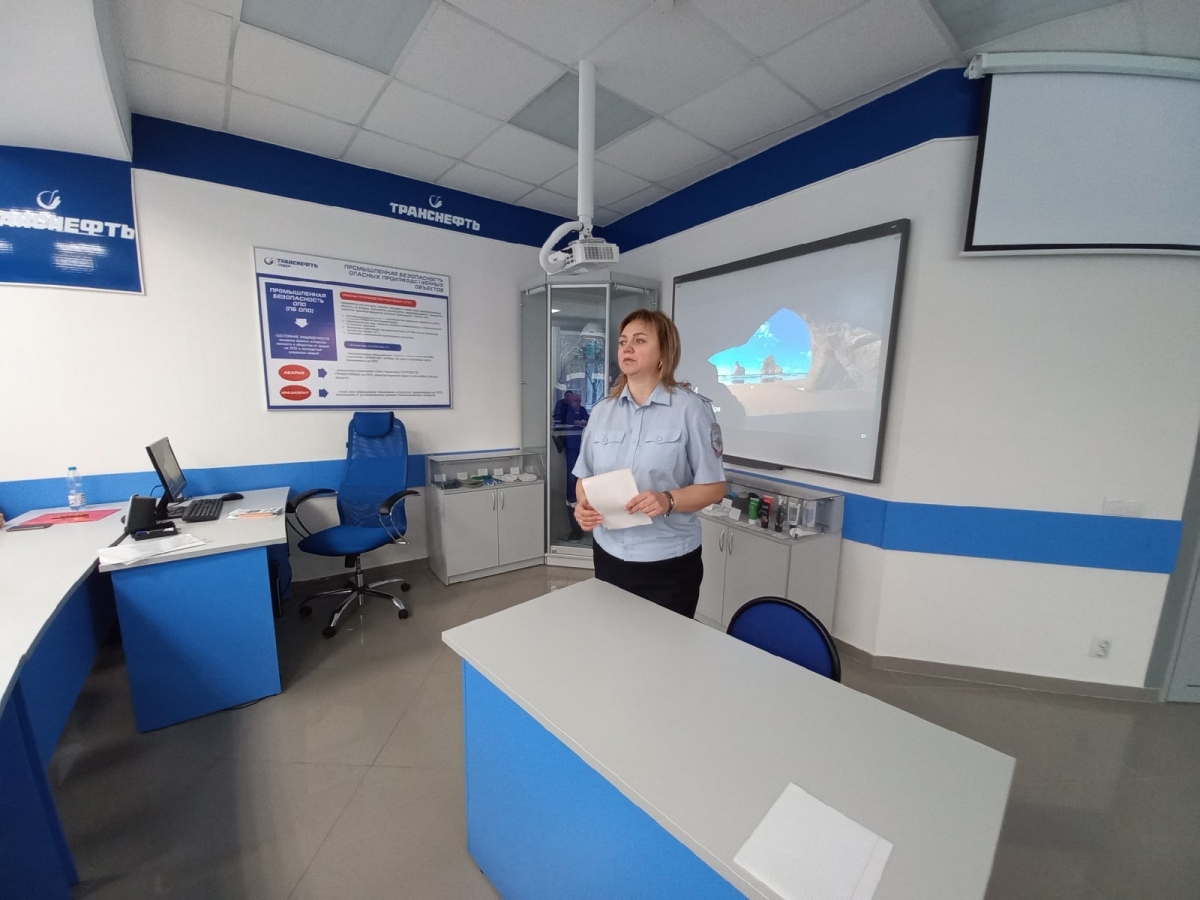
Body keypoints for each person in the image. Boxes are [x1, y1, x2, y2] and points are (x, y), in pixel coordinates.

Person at [572, 309, 727, 617]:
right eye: (623, 341)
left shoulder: (691, 410)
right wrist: (583, 507)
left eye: (639, 341)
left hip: (667, 563)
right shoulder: (601, 412)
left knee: (663, 646)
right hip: (608, 554)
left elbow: (714, 488)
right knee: (612, 637)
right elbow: (584, 480)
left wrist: (668, 499)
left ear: (663, 353)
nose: (627, 348)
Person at [552, 390, 589, 540]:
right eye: (575, 400)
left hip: (584, 448)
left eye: (579, 400)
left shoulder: (582, 410)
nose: (577, 403)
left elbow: (588, 422)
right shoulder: (565, 409)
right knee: (572, 485)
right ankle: (575, 528)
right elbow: (561, 424)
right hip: (572, 449)